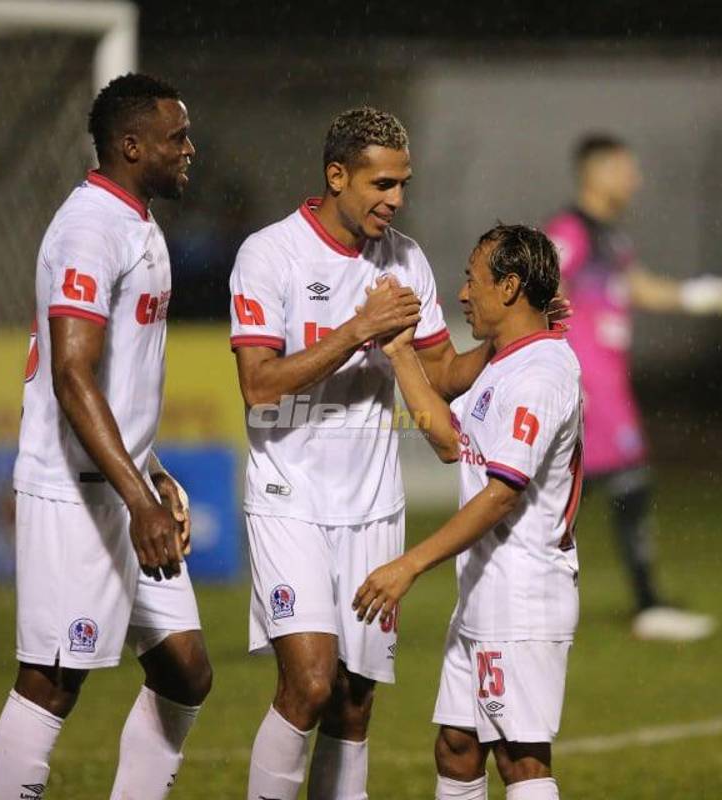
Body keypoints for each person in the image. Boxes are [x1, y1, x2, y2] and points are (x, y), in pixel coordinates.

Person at [230, 107, 506, 800]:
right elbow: (259, 388)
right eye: (382, 184)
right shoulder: (270, 255)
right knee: (310, 682)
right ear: (337, 176)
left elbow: (442, 375)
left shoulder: (405, 260)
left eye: (403, 184)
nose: (396, 199)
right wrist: (360, 328)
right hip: (289, 498)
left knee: (353, 698)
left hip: (373, 506)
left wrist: (513, 338)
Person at [0, 74, 212, 800]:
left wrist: (153, 472)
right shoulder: (88, 229)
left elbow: (117, 382)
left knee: (184, 670)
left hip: (123, 485)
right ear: (131, 145)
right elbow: (73, 375)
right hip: (76, 494)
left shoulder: (136, 223)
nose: (189, 150)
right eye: (177, 137)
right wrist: (139, 499)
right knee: (51, 681)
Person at [354, 224, 582, 800]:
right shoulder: (503, 362)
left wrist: (410, 564)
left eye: (471, 280)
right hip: (485, 589)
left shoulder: (540, 375)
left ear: (509, 287)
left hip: (523, 596)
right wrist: (400, 352)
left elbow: (502, 493)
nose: (462, 294)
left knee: (520, 758)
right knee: (457, 746)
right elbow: (450, 443)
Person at [543, 134, 722, 642]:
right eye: (626, 170)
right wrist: (557, 365)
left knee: (578, 490)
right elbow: (542, 282)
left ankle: (547, 590)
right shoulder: (569, 231)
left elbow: (637, 287)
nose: (635, 180)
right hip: (588, 382)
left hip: (607, 380)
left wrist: (710, 294)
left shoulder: (611, 238)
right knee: (622, 480)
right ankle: (646, 604)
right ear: (596, 172)